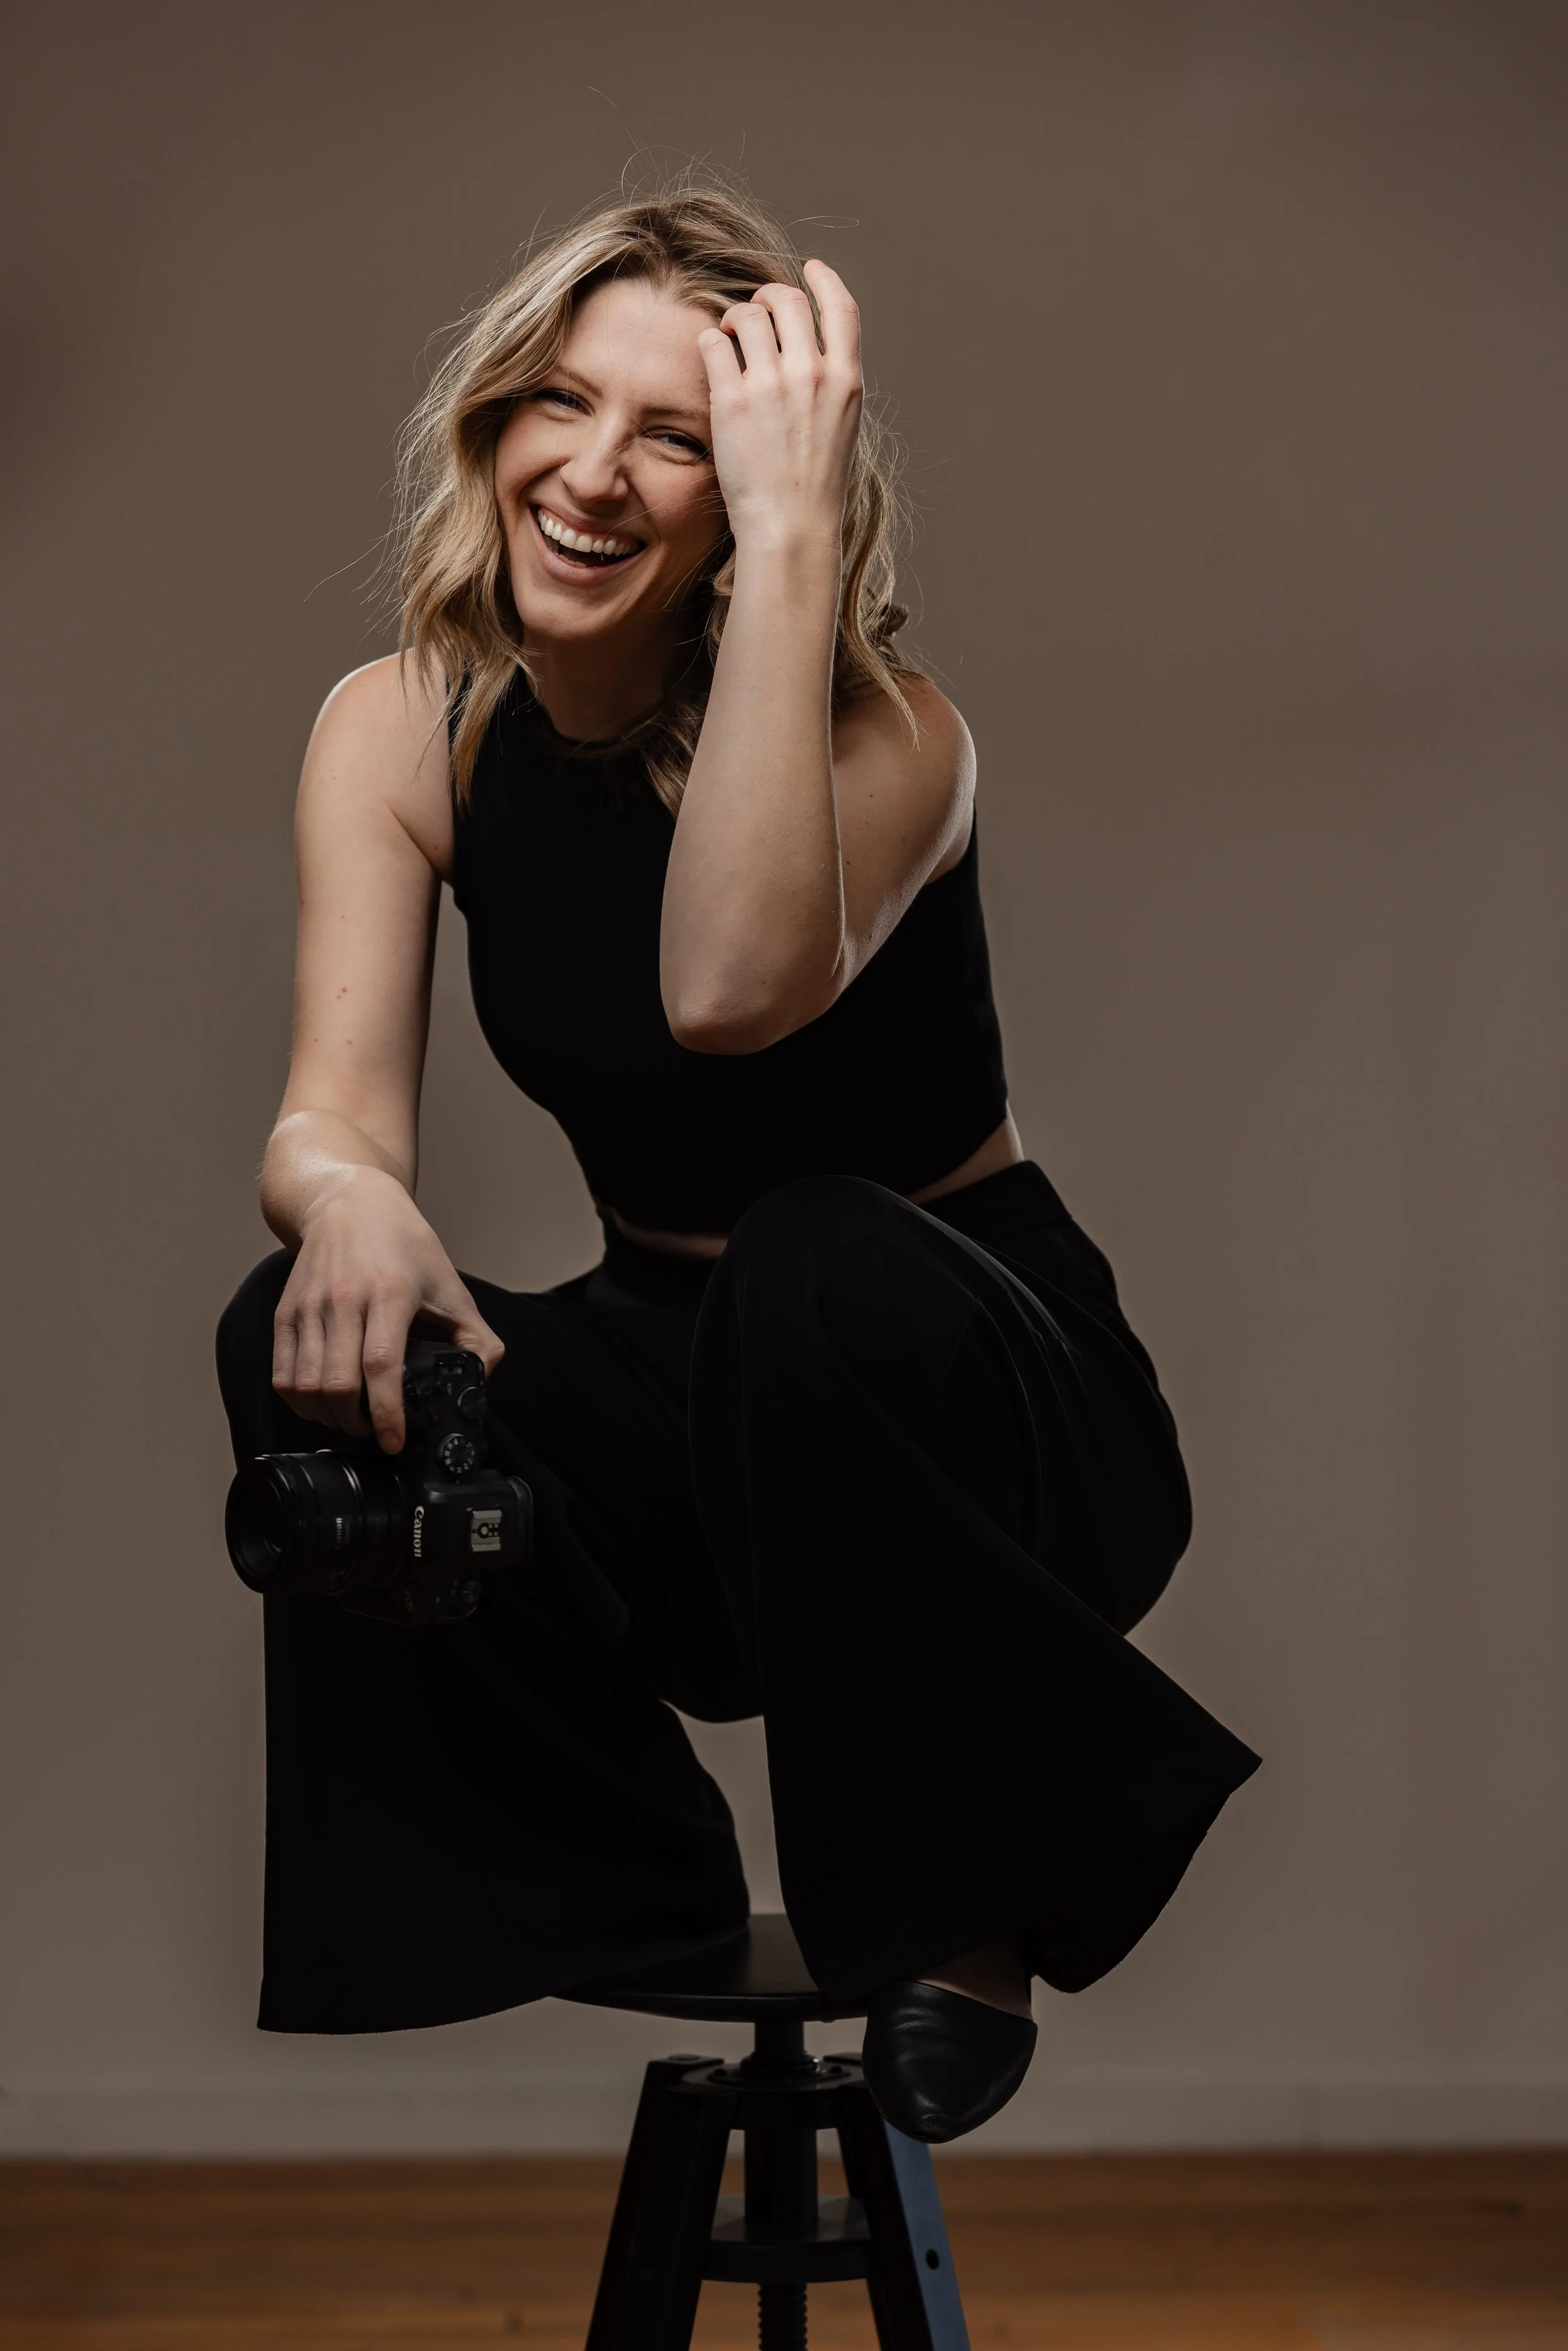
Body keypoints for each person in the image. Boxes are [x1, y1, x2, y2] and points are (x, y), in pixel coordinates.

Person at [217, 177, 1258, 2143]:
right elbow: (327, 1111)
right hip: (690, 1417)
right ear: (491, 419)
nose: (592, 474)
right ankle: (617, 1870)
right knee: (304, 1316)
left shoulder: (896, 736)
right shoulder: (405, 727)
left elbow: (721, 989)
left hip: (981, 1417)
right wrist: (345, 1195)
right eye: (560, 403)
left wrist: (792, 541)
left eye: (679, 438)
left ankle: (967, 1906)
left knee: (809, 1248)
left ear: (751, 495)